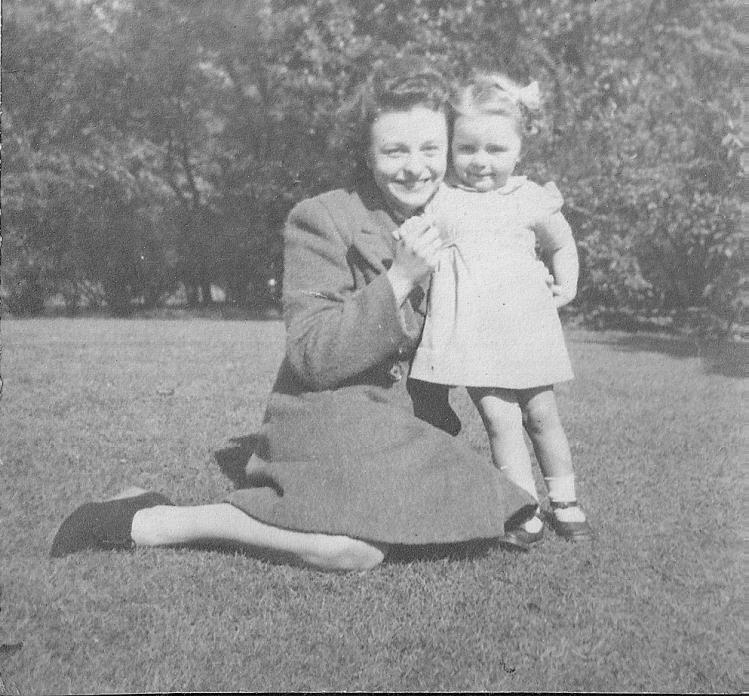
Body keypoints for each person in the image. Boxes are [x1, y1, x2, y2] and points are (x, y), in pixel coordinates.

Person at [51, 60, 536, 571]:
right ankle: (152, 521)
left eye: (430, 149)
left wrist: (533, 285)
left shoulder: (458, 216)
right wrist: (399, 279)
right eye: (394, 150)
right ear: (367, 155)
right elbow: (311, 355)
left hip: (401, 421)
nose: (415, 167)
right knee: (354, 552)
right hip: (327, 414)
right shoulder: (322, 217)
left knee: (461, 522)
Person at [409, 73, 591, 545]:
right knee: (499, 420)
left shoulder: (528, 198)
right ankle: (522, 507)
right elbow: (413, 244)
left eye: (496, 150)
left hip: (525, 329)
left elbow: (562, 242)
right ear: (450, 149)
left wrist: (566, 283)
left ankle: (565, 499)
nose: (481, 162)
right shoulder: (442, 200)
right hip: (472, 334)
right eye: (467, 149)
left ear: (518, 150)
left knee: (541, 415)